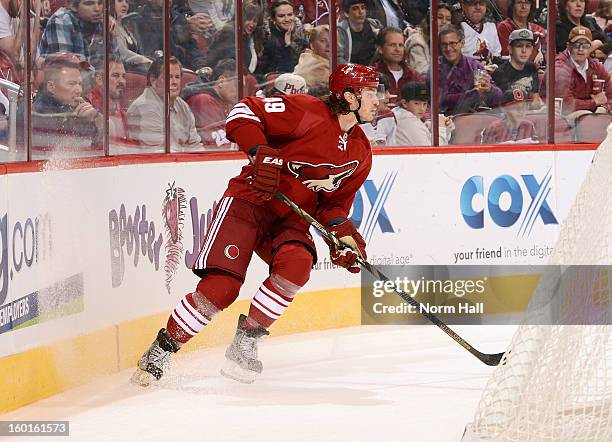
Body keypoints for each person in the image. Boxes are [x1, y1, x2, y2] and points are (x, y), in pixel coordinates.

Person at [132, 63, 380, 386]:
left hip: (290, 218)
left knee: (297, 265)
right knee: (222, 288)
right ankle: (161, 350)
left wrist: (343, 236)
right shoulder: (306, 110)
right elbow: (242, 113)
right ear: (350, 97)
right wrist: (260, 152)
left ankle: (246, 340)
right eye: (372, 92)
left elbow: (332, 206)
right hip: (250, 201)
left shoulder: (361, 153)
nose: (379, 100)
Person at [127, 55, 202, 149]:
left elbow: (195, 145)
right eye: (169, 77)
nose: (174, 82)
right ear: (153, 80)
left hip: (181, 160)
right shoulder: (145, 107)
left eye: (177, 77)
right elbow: (159, 153)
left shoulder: (183, 105)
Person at [436, 24, 501, 115]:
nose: (448, 48)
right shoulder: (436, 68)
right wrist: (474, 94)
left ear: (462, 43)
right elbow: (441, 100)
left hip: (475, 119)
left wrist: (489, 89)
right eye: (444, 44)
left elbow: (498, 97)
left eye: (452, 44)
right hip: (447, 119)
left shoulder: (474, 65)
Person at [554, 26, 612, 118]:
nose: (581, 49)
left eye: (585, 46)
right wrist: (595, 102)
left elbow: (610, 96)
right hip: (565, 119)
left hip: (594, 116)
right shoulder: (559, 68)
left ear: (590, 47)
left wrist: (604, 107)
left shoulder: (597, 67)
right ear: (568, 46)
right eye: (577, 45)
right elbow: (566, 104)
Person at [38, 0, 118, 67]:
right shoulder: (61, 20)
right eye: (89, 3)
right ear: (73, 6)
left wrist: (113, 37)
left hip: (95, 80)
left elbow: (115, 65)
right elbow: (65, 66)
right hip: (66, 80)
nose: (97, 9)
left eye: (100, 3)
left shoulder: (104, 23)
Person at [184, 58, 237, 149]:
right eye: (236, 85)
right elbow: (214, 144)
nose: (239, 91)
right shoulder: (203, 100)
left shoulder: (227, 103)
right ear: (221, 81)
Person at [390, 81, 453, 146]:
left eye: (424, 104)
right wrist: (441, 128)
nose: (422, 108)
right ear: (404, 103)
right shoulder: (409, 122)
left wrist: (443, 128)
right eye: (416, 103)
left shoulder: (398, 112)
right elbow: (432, 152)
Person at [492, 28, 543, 107]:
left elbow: (535, 97)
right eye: (519, 46)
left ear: (532, 49)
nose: (524, 50)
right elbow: (505, 108)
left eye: (528, 46)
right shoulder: (500, 73)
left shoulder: (531, 68)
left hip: (528, 115)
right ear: (510, 49)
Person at [371, 27, 424, 100]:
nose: (397, 49)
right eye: (392, 45)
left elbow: (424, 104)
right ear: (380, 49)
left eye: (401, 45)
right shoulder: (372, 74)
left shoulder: (414, 76)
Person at [259, 0, 308, 74]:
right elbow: (273, 64)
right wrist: (286, 46)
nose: (287, 19)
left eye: (290, 15)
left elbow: (303, 60)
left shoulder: (299, 31)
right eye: (281, 16)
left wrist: (290, 44)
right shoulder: (266, 34)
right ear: (273, 18)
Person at [405, 3, 455, 75]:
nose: (444, 22)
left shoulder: (450, 41)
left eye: (448, 19)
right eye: (440, 17)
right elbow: (421, 72)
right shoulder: (417, 40)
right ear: (430, 19)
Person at [87, 56, 129, 140]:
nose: (122, 81)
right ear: (99, 79)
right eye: (115, 75)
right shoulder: (88, 107)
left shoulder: (120, 110)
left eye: (123, 76)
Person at [496, 0, 545, 65]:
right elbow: (508, 55)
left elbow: (550, 54)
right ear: (512, 6)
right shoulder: (504, 27)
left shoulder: (538, 29)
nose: (523, 6)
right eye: (519, 2)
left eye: (527, 3)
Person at [338, 0, 382, 66]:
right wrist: (360, 70)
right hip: (351, 72)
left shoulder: (374, 26)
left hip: (374, 70)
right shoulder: (340, 31)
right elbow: (338, 59)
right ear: (346, 13)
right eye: (355, 8)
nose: (361, 12)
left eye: (363, 7)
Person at [359, 73, 396, 145]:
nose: (388, 96)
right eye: (384, 92)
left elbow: (391, 150)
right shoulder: (348, 120)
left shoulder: (388, 117)